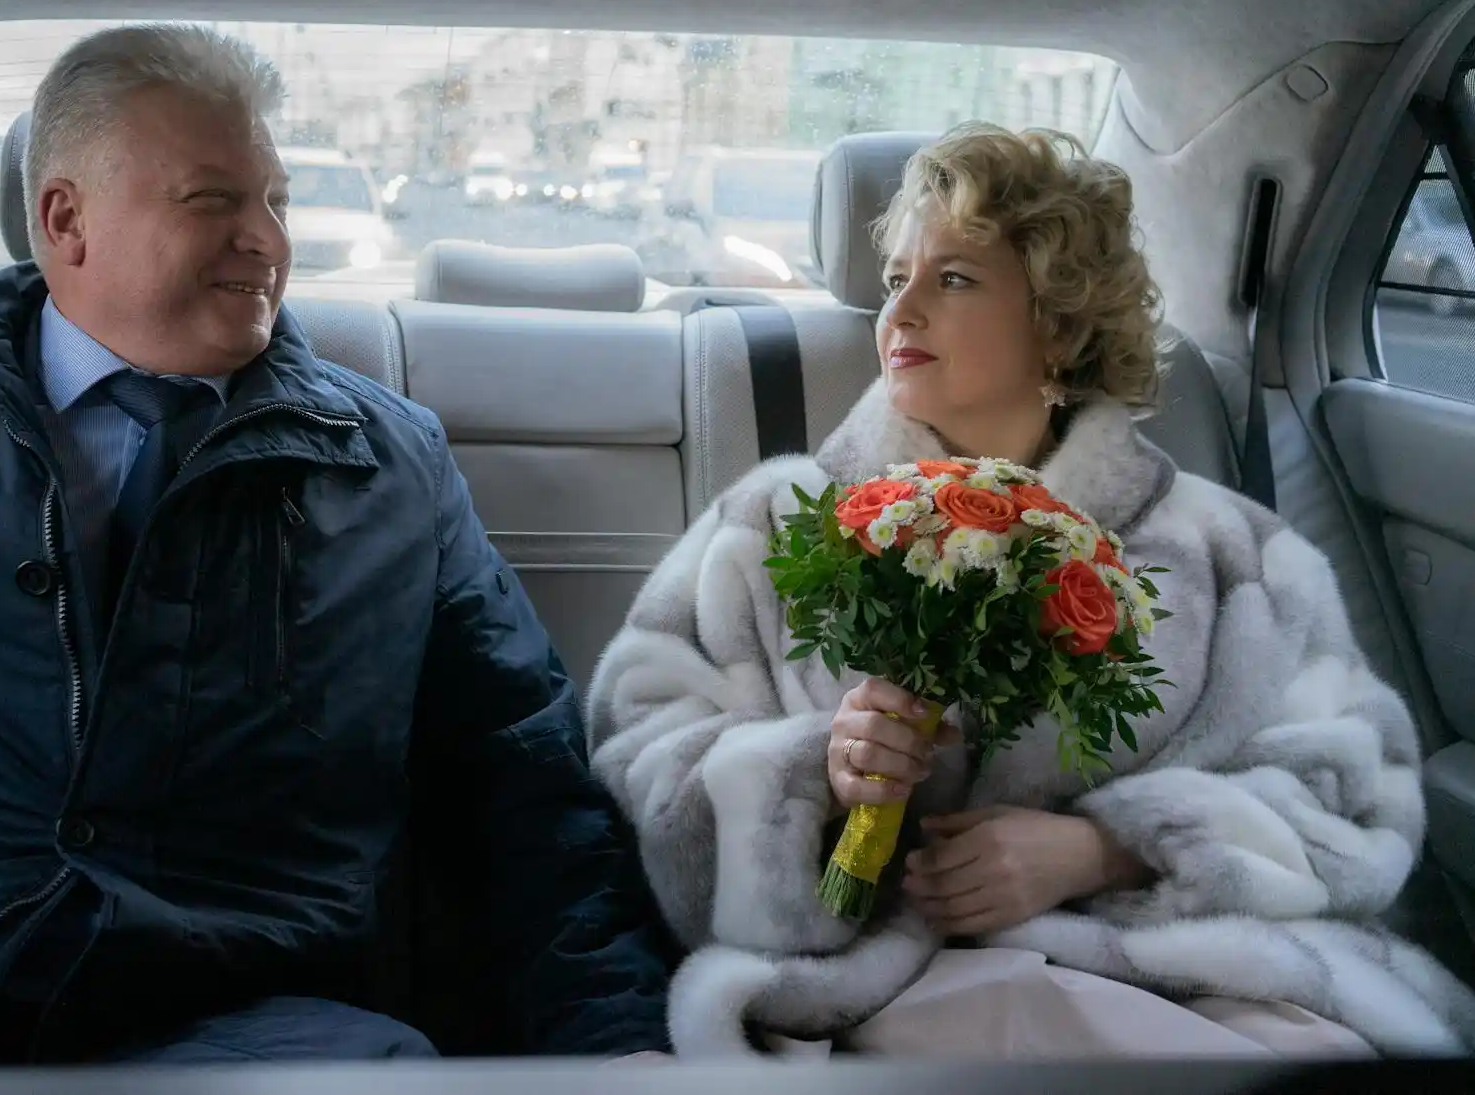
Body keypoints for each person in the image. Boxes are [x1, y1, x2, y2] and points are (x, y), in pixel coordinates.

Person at [0, 23, 674, 1066]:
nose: (264, 237)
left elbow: (525, 794)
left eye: (277, 200)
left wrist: (621, 1049)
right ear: (64, 219)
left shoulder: (388, 469)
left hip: (238, 1025)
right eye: (213, 199)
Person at [586, 123, 1475, 1058]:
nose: (901, 313)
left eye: (954, 279)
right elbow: (640, 739)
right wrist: (825, 776)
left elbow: (1355, 787)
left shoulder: (1236, 555)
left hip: (1184, 964)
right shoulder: (775, 522)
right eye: (897, 280)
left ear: (1058, 320)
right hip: (886, 985)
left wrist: (1117, 848)